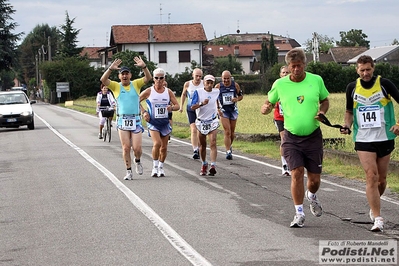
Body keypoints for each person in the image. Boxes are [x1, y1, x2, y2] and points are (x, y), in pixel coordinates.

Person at [264, 48, 330, 228]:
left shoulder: (316, 80)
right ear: (288, 66)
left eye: (299, 66)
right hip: (291, 137)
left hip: (313, 137)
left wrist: (322, 111)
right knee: (297, 173)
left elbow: (325, 100)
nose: (296, 70)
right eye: (292, 67)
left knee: (314, 180)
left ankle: (312, 195)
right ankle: (299, 213)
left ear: (304, 65)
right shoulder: (280, 84)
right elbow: (269, 101)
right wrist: (266, 108)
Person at [341, 55, 399, 232]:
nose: (365, 73)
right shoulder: (352, 87)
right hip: (363, 139)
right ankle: (378, 217)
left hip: (385, 137)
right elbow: (349, 111)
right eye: (362, 70)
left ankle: (373, 204)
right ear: (357, 70)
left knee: (381, 181)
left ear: (373, 68)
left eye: (368, 69)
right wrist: (346, 125)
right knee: (371, 176)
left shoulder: (384, 84)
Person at [100, 57, 152, 180]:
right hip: (122, 120)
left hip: (136, 120)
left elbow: (148, 78)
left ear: (130, 75)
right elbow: (103, 79)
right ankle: (128, 171)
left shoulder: (136, 84)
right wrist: (110, 69)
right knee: (126, 147)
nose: (124, 76)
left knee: (137, 148)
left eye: (126, 74)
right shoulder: (116, 86)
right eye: (122, 74)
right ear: (119, 76)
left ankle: (137, 160)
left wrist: (144, 67)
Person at [140, 68, 180, 178]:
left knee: (164, 147)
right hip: (153, 122)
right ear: (153, 79)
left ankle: (161, 167)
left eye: (161, 78)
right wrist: (144, 112)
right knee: (157, 143)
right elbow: (136, 100)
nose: (159, 80)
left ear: (164, 79)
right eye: (156, 78)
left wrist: (171, 107)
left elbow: (178, 106)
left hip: (165, 123)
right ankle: (154, 167)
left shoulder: (168, 92)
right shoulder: (149, 91)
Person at [261, 65, 291, 176]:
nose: (285, 74)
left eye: (287, 72)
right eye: (283, 72)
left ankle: (292, 161)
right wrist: (267, 107)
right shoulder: (277, 86)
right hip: (279, 117)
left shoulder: (294, 86)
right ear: (280, 74)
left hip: (291, 118)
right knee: (284, 138)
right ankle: (285, 165)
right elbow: (269, 101)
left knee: (292, 141)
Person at [191, 75, 220, 176]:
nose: (209, 84)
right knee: (202, 146)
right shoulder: (198, 92)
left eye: (211, 82)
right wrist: (202, 104)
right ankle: (204, 164)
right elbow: (192, 106)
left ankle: (213, 165)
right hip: (201, 121)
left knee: (213, 142)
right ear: (204, 83)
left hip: (212, 120)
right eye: (207, 82)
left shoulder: (217, 91)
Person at [215, 70, 243, 160]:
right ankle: (228, 151)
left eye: (228, 78)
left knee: (232, 132)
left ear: (231, 78)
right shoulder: (218, 87)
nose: (226, 81)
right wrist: (217, 109)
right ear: (221, 78)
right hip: (223, 111)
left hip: (233, 110)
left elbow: (241, 96)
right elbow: (214, 99)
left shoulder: (235, 85)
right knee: (227, 131)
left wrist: (236, 99)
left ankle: (229, 145)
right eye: (224, 79)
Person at [179, 68, 204, 159]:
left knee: (200, 130)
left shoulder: (203, 83)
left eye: (200, 76)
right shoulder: (188, 84)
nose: (198, 78)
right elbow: (183, 94)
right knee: (193, 129)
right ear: (192, 75)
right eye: (196, 76)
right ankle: (195, 150)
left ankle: (200, 146)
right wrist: (181, 106)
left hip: (201, 109)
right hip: (190, 109)